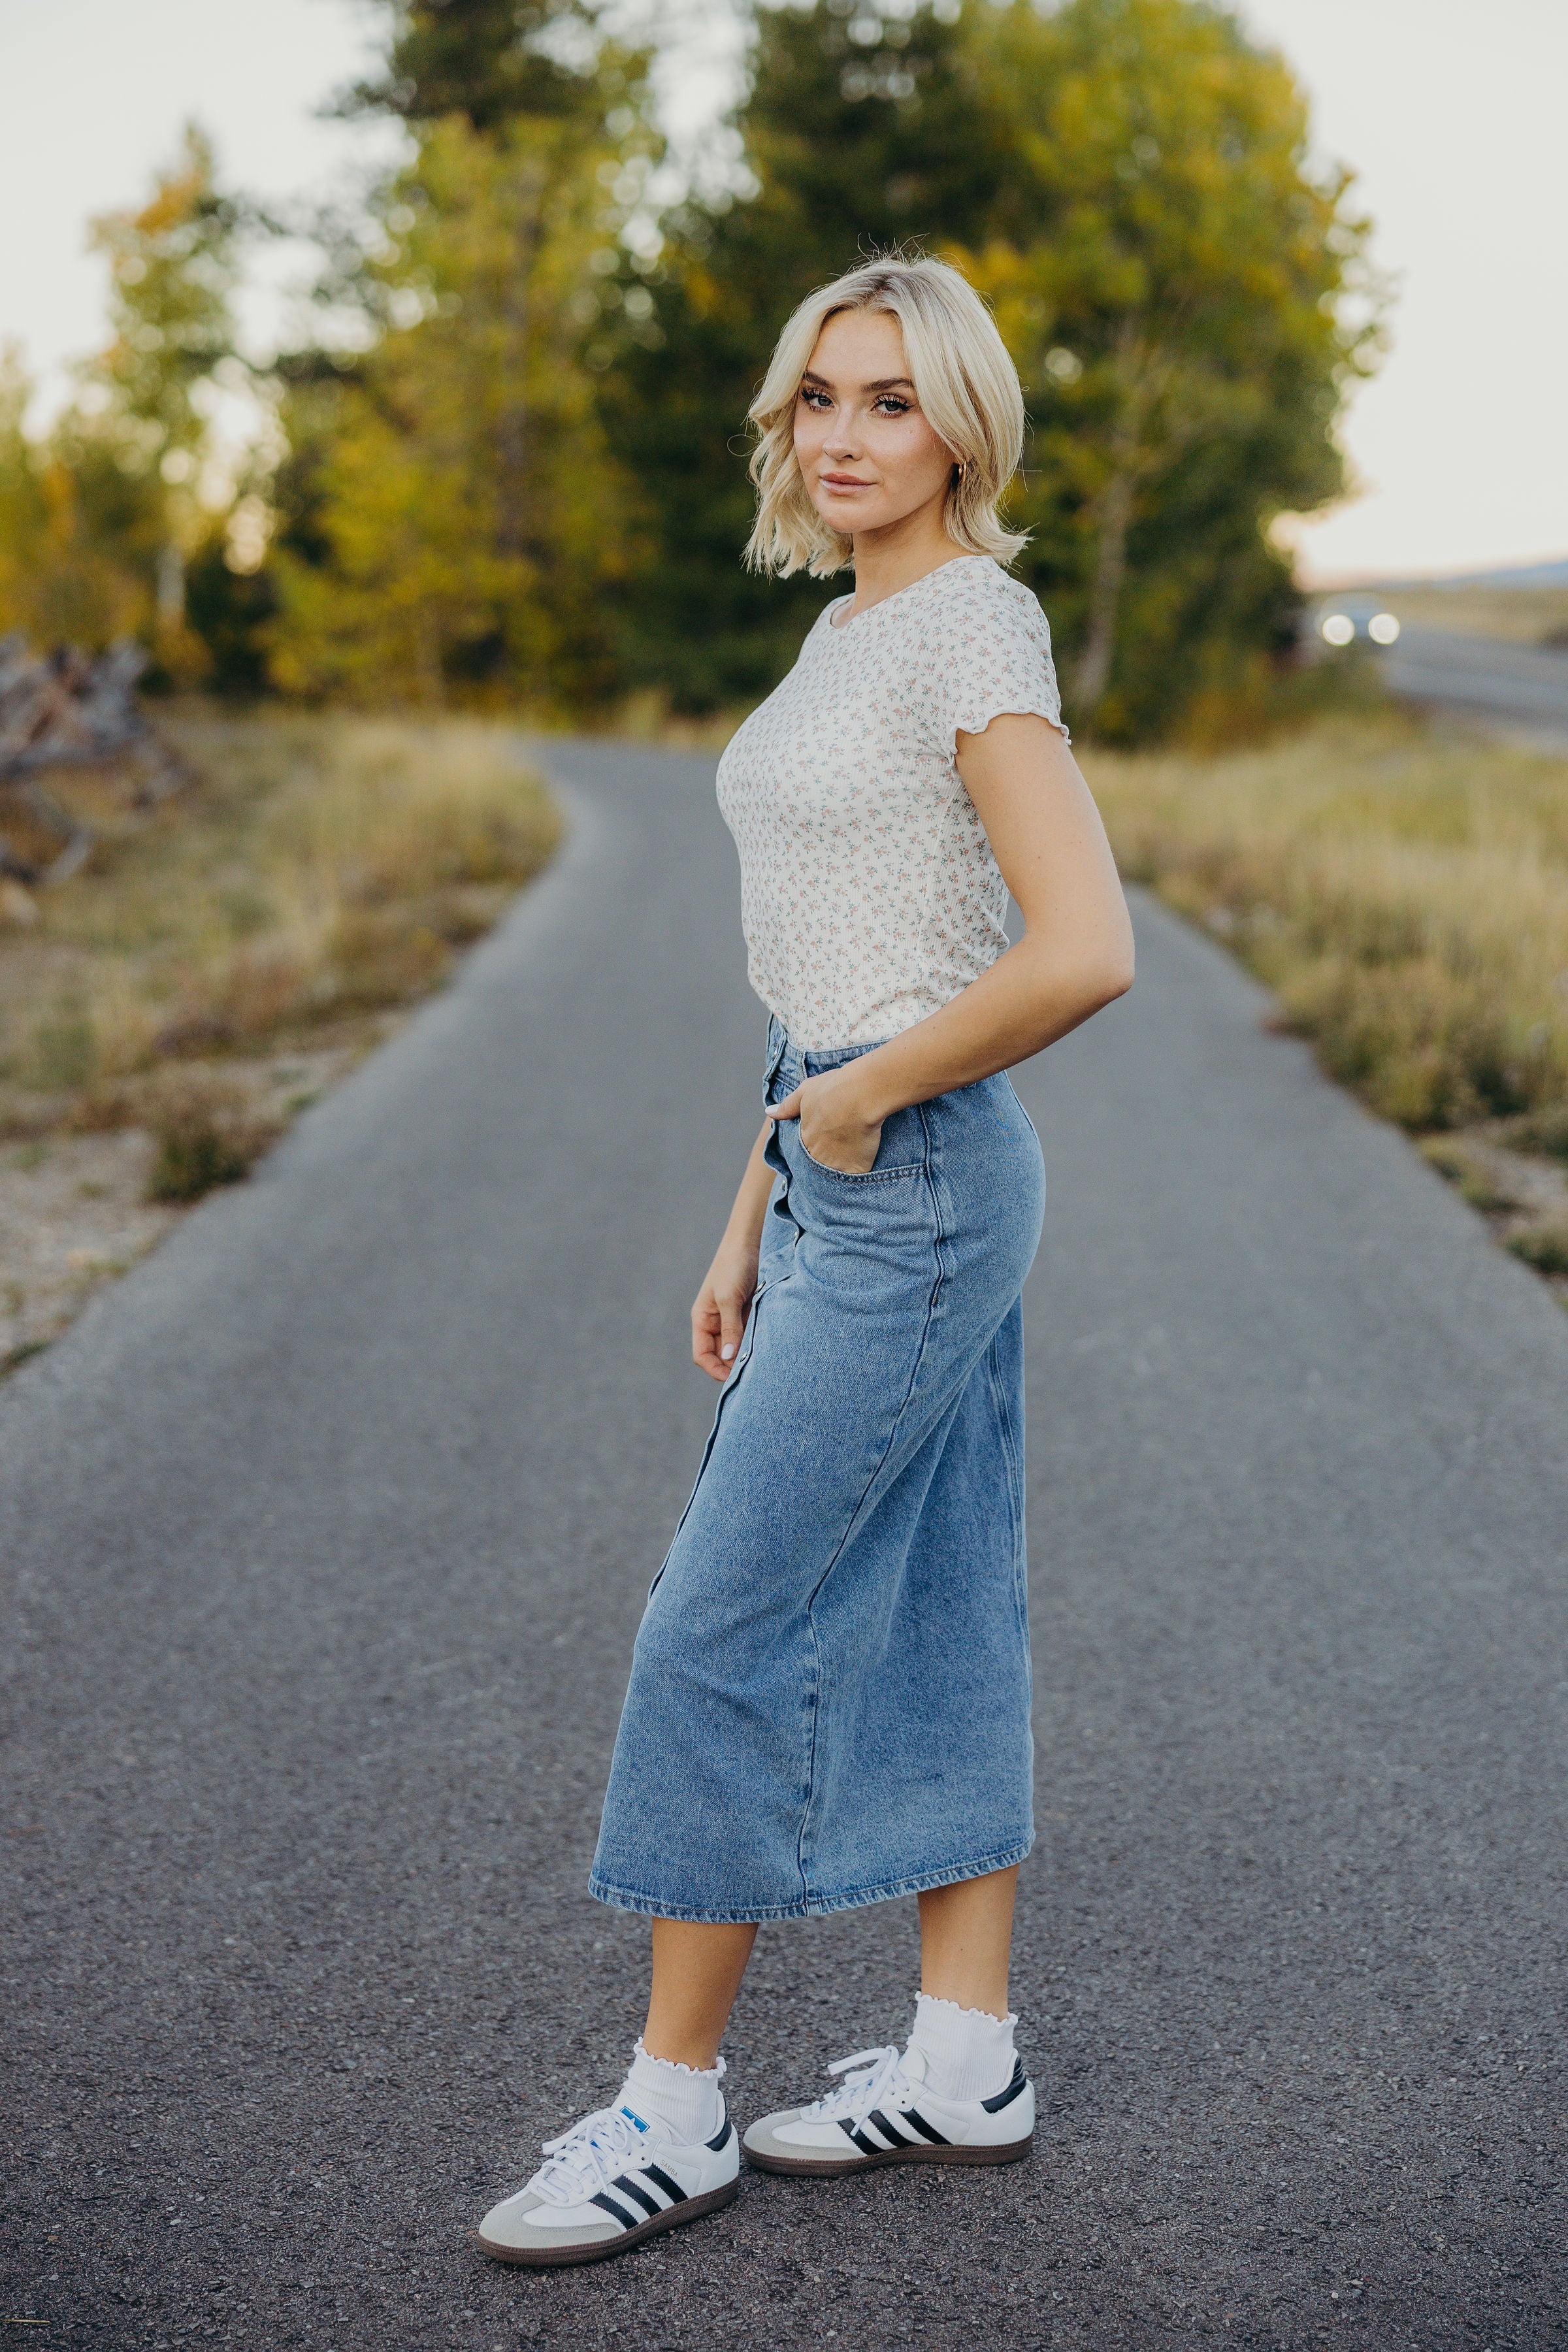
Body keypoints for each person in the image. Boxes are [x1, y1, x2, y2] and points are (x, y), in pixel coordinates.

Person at [477, 253, 1134, 2268]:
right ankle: (964, 2056)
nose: (846, 436)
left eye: (891, 401)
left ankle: (669, 2108)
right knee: (940, 1591)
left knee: (719, 1627)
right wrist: (759, 1190)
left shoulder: (973, 625)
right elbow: (834, 958)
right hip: (852, 1163)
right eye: (821, 399)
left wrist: (855, 1121)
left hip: (918, 1171)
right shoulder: (848, 630)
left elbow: (1082, 942)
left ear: (964, 428)